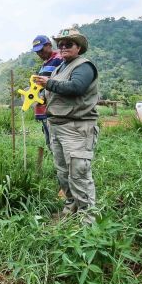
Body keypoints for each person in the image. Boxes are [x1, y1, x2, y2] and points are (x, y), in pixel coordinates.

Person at [32, 28, 99, 223]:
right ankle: (71, 208)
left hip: (77, 128)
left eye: (68, 44)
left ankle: (88, 220)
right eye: (60, 44)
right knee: (62, 172)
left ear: (78, 47)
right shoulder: (59, 68)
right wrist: (38, 96)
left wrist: (49, 84)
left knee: (78, 173)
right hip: (57, 126)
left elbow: (76, 87)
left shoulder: (84, 66)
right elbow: (51, 92)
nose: (63, 47)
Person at [31, 35, 63, 149]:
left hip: (52, 109)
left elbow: (60, 82)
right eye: (37, 52)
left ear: (49, 45)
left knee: (55, 144)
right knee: (50, 143)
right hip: (44, 110)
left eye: (41, 50)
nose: (39, 53)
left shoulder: (59, 59)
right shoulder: (45, 63)